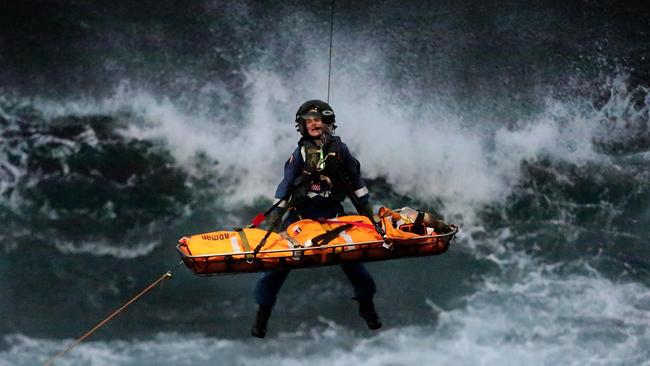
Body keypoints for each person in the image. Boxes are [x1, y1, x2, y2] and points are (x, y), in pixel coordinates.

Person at [251, 99, 382, 338]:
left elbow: (358, 184)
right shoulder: (299, 153)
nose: (314, 124)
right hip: (299, 220)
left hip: (333, 219)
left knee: (355, 266)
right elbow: (284, 187)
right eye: (309, 121)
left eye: (319, 120)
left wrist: (369, 216)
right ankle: (263, 312)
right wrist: (272, 222)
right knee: (276, 269)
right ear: (302, 126)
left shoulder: (341, 151)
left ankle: (367, 305)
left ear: (329, 123)